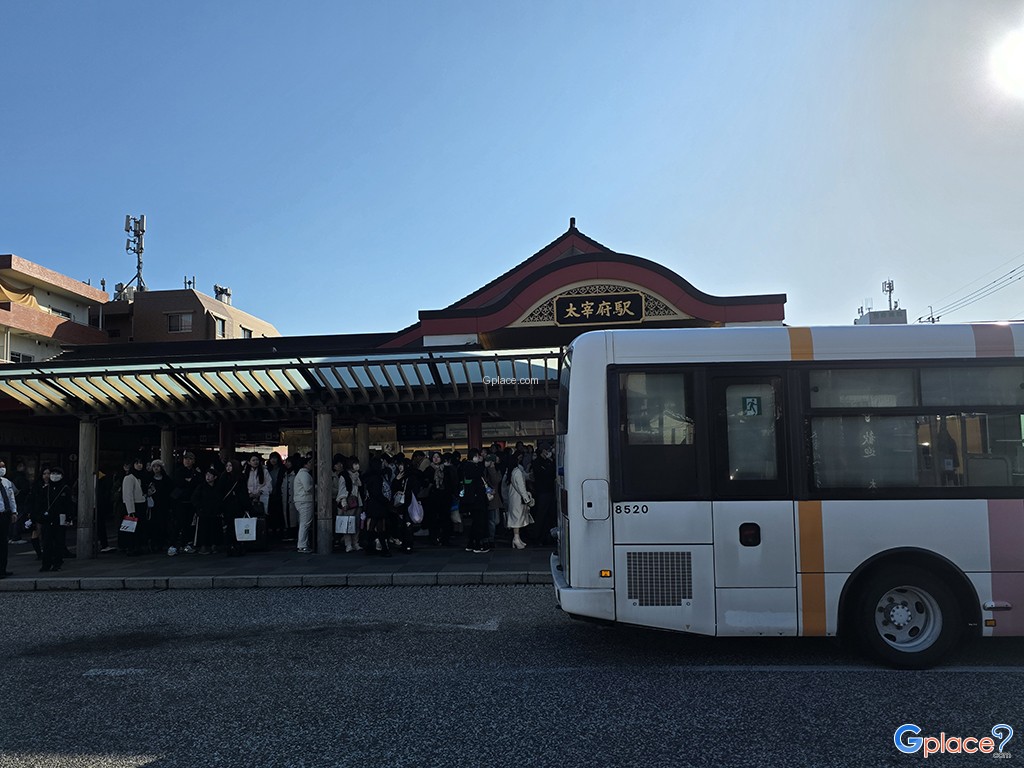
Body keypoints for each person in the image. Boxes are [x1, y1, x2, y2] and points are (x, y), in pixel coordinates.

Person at [35, 466, 72, 572]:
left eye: (57, 474)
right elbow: (40, 504)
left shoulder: (65, 489)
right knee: (46, 542)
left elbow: (69, 505)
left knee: (59, 542)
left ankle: (57, 563)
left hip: (60, 519)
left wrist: (69, 517)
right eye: (53, 473)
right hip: (47, 519)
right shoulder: (46, 489)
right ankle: (46, 564)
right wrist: (40, 516)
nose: (54, 476)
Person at [169, 451, 201, 556]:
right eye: (185, 459)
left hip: (190, 502)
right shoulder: (178, 471)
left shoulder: (196, 472)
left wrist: (189, 481)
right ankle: (173, 545)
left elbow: (196, 483)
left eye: (190, 459)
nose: (187, 461)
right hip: (180, 502)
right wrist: (189, 481)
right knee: (178, 524)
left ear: (193, 461)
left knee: (188, 524)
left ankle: (185, 544)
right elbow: (179, 483)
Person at [460, 448, 490, 553]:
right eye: (477, 456)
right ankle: (478, 544)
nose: (479, 458)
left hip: (473, 498)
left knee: (475, 522)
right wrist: (482, 464)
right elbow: (477, 475)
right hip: (477, 499)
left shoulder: (466, 466)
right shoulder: (471, 467)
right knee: (479, 522)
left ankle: (471, 543)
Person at [218, 459, 250, 555]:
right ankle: (231, 546)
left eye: (230, 466)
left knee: (237, 526)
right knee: (230, 526)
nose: (228, 468)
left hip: (237, 506)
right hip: (228, 506)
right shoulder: (223, 477)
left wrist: (246, 506)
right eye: (227, 466)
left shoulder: (240, 477)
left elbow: (244, 493)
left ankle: (237, 546)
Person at [505, 450, 534, 549]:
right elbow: (521, 487)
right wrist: (527, 499)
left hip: (514, 497)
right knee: (517, 520)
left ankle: (517, 539)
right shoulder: (517, 471)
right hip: (518, 498)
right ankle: (516, 539)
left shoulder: (512, 471)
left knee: (516, 518)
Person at [531, 443, 557, 545]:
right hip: (542, 491)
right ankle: (537, 537)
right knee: (541, 515)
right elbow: (546, 473)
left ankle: (548, 536)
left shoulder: (548, 462)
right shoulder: (537, 463)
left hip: (549, 491)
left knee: (550, 515)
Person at [121, 457, 147, 556]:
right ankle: (130, 547)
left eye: (141, 463)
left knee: (140, 527)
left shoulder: (142, 476)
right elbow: (128, 495)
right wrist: (130, 510)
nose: (139, 465)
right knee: (131, 528)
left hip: (141, 504)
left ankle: (138, 546)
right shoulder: (129, 477)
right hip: (133, 505)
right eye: (137, 463)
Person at [293, 455, 314, 553]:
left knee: (304, 523)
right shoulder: (304, 474)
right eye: (309, 462)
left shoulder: (301, 474)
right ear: (305, 464)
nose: (311, 464)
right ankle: (302, 545)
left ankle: (303, 543)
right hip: (305, 500)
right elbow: (308, 488)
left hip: (301, 500)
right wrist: (317, 487)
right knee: (305, 523)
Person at [0, 459, 18, 577]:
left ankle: (2, 569)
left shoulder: (6, 482)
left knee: (3, 543)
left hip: (4, 514)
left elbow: (11, 498)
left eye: (3, 466)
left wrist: (14, 512)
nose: (2, 469)